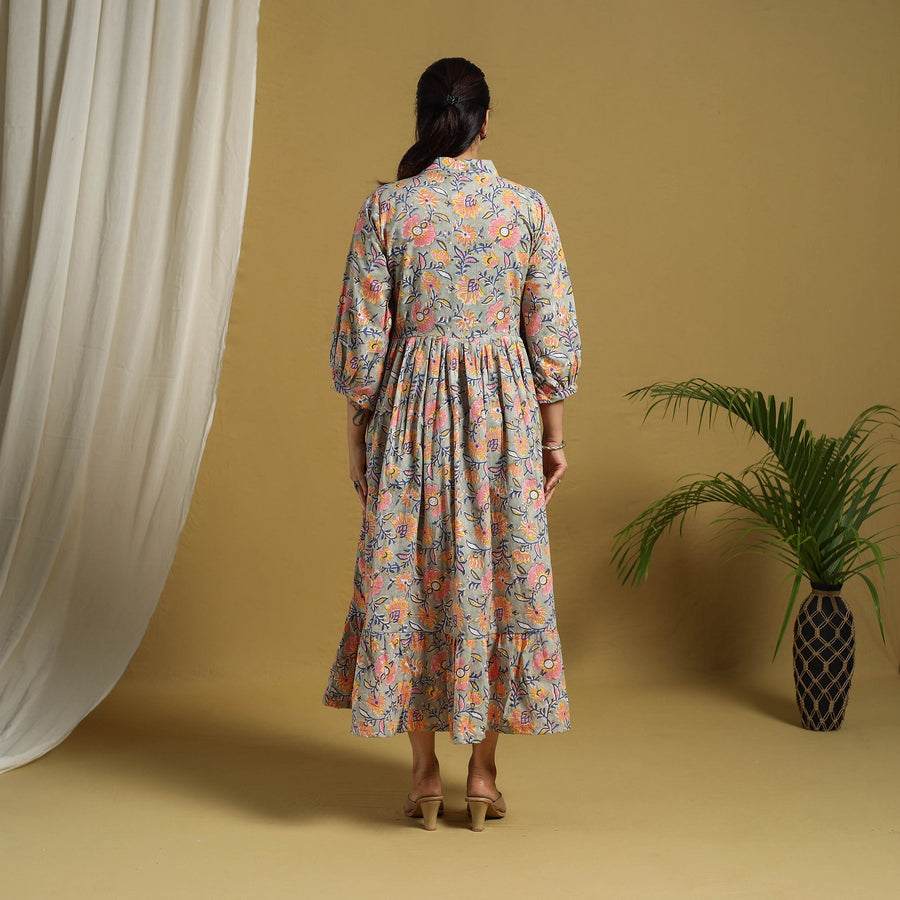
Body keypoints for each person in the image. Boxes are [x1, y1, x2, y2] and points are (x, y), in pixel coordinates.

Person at [323, 57, 581, 832]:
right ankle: (484, 774)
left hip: (410, 414)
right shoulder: (526, 209)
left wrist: (358, 436)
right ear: (485, 120)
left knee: (411, 574)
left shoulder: (388, 209)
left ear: (424, 118)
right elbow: (550, 330)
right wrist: (554, 438)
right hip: (504, 416)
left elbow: (364, 341)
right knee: (498, 574)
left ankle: (425, 773)